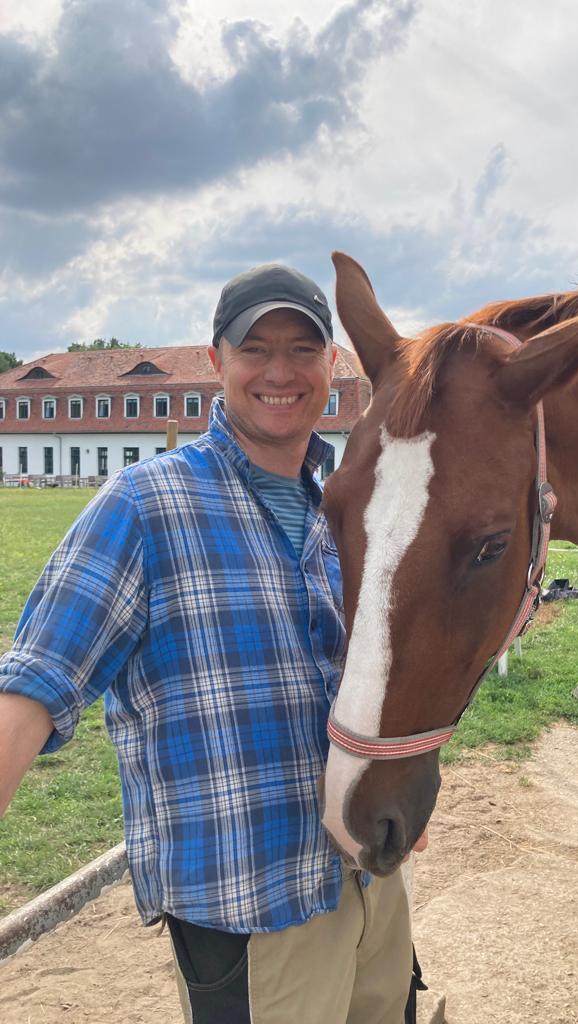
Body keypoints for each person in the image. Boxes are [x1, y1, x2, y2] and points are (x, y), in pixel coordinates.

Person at [0, 264, 416, 1024]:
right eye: (256, 349)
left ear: (332, 367)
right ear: (217, 362)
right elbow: (34, 684)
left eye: (303, 349)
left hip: (370, 886)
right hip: (250, 910)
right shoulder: (144, 504)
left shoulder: (337, 515)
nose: (281, 372)